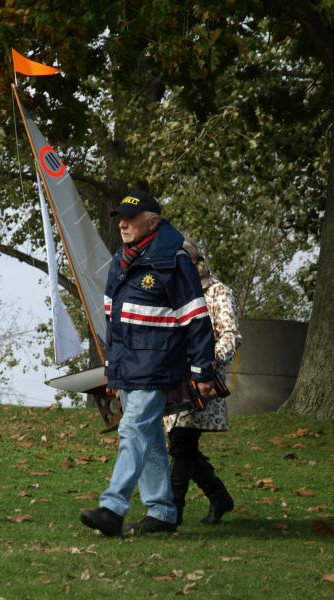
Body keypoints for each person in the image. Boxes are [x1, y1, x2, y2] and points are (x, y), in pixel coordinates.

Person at [79, 191, 216, 536]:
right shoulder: (120, 260)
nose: (122, 224)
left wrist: (202, 371)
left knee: (132, 430)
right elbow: (113, 322)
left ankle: (112, 508)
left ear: (152, 221)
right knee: (150, 436)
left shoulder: (175, 260)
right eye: (120, 218)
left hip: (158, 367)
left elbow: (196, 319)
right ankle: (163, 513)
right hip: (127, 368)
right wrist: (113, 371)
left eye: (131, 217)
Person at [163, 237, 242, 526]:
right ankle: (219, 497)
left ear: (197, 262)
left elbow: (230, 336)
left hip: (203, 380)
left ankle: (174, 512)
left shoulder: (218, 292)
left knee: (182, 442)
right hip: (173, 381)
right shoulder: (173, 293)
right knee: (181, 445)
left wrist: (208, 362)